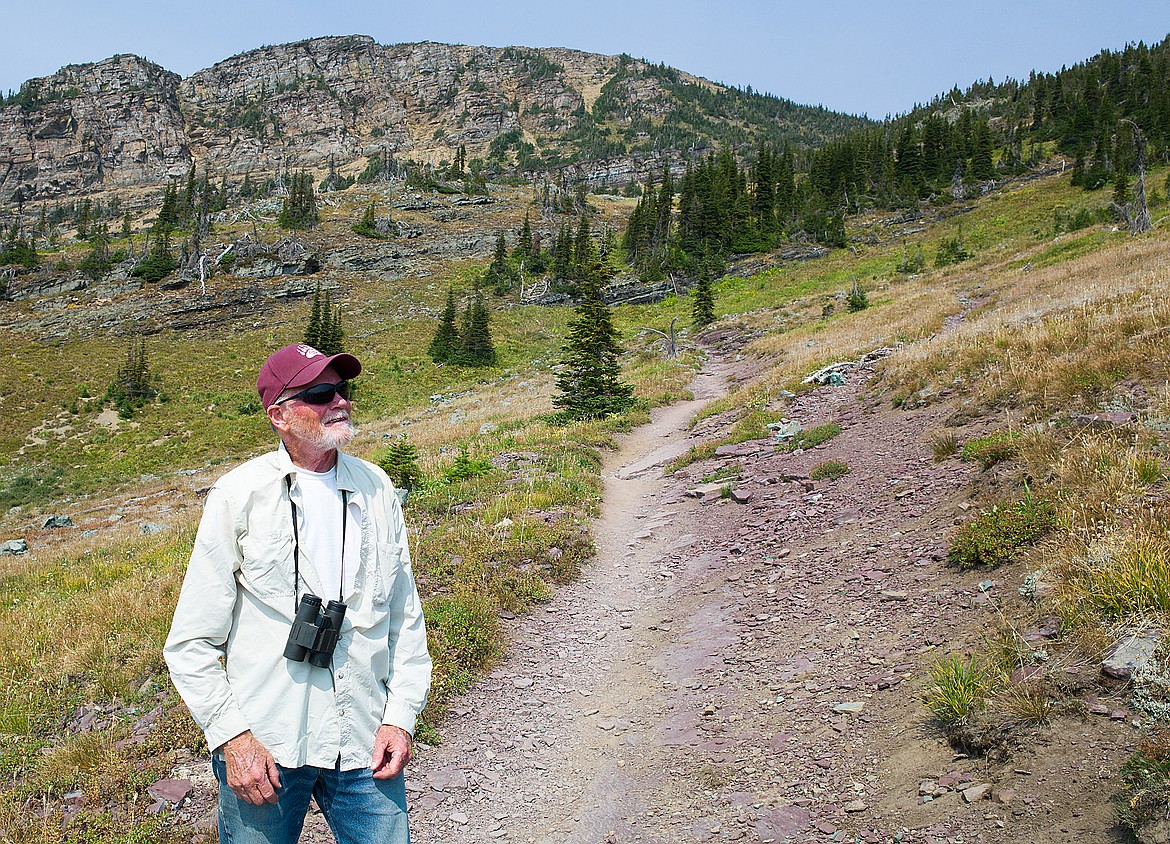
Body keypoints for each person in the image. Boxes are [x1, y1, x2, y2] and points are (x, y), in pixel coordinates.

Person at [164, 343, 432, 844]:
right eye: (319, 393)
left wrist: (400, 718)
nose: (340, 401)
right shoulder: (238, 496)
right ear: (279, 416)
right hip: (267, 746)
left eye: (343, 389)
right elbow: (190, 643)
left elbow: (405, 619)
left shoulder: (377, 488)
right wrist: (232, 739)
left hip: (364, 740)